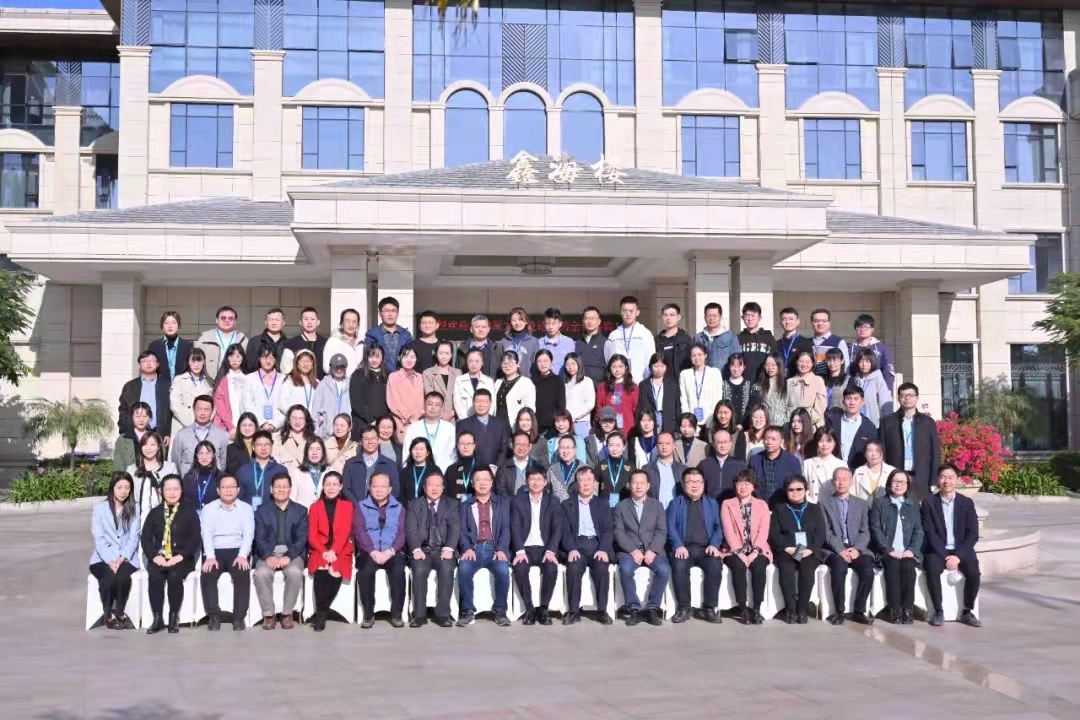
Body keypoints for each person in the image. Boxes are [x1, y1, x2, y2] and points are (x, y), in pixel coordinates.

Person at [921, 464, 982, 627]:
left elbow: (973, 533)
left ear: (957, 480)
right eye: (943, 477)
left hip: (961, 549)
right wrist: (945, 556)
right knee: (932, 569)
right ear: (937, 480)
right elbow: (929, 533)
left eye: (950, 477)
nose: (946, 481)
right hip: (938, 549)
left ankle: (967, 611)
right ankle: (938, 611)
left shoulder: (966, 503)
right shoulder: (929, 502)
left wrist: (958, 556)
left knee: (974, 572)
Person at [142, 474, 200, 634]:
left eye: (176, 489)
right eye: (168, 489)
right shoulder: (155, 513)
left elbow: (195, 538)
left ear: (181, 491)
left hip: (182, 557)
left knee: (174, 575)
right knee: (155, 576)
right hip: (159, 557)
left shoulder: (189, 511)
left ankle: (174, 617)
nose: (172, 493)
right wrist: (154, 556)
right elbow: (145, 538)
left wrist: (180, 556)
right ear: (162, 491)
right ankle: (157, 618)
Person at [456, 467, 512, 626]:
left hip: (494, 548)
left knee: (503, 570)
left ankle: (500, 610)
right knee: (464, 569)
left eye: (486, 479)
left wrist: (501, 549)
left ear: (492, 482)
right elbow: (462, 530)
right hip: (474, 548)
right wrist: (467, 548)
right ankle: (467, 610)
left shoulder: (502, 503)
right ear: (472, 484)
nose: (482, 483)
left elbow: (505, 529)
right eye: (478, 480)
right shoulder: (465, 505)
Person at [715, 471, 772, 628]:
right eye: (739, 483)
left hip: (757, 548)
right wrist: (740, 552)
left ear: (753, 487)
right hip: (733, 549)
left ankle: (756, 608)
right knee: (738, 567)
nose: (743, 487)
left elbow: (763, 531)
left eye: (747, 483)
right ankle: (743, 608)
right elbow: (728, 530)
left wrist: (754, 552)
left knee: (759, 566)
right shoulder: (727, 504)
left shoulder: (762, 505)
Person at [612, 469, 669, 626]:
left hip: (652, 550)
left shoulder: (657, 506)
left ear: (648, 486)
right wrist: (633, 550)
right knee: (625, 568)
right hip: (629, 551)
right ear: (629, 485)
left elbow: (661, 531)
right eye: (635, 483)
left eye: (642, 483)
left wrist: (652, 550)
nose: (638, 486)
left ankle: (652, 608)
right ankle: (633, 608)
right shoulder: (621, 507)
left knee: (664, 569)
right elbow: (618, 532)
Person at [667, 468, 724, 624]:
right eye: (690, 482)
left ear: (703, 484)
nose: (694, 485)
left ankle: (709, 608)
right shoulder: (675, 503)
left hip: (705, 548)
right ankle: (684, 607)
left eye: (698, 482)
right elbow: (670, 527)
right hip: (683, 548)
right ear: (683, 484)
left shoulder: (712, 503)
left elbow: (719, 527)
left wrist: (714, 544)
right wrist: (678, 545)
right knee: (679, 565)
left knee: (714, 565)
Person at [252, 472, 308, 629]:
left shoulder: (301, 511)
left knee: (294, 572)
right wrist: (268, 556)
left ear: (290, 489)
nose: (281, 489)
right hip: (268, 552)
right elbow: (259, 537)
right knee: (261, 573)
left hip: (292, 553)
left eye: (285, 486)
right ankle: (269, 615)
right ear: (271, 489)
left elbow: (301, 539)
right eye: (277, 487)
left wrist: (288, 556)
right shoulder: (262, 510)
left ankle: (287, 613)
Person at [198, 474, 254, 631]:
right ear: (218, 490)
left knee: (242, 572)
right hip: (215, 550)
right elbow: (206, 534)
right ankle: (214, 616)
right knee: (208, 573)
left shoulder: (246, 508)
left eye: (232, 487)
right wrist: (210, 556)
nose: (228, 490)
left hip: (237, 550)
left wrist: (242, 555)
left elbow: (248, 534)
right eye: (224, 487)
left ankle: (239, 617)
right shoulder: (208, 509)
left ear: (238, 490)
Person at [820, 467, 874, 625]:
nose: (841, 482)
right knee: (839, 569)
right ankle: (839, 611)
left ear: (851, 481)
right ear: (833, 482)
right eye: (837, 479)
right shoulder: (824, 503)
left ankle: (859, 611)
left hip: (857, 547)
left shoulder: (862, 504)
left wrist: (857, 549)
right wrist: (840, 550)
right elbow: (826, 532)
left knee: (867, 571)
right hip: (834, 548)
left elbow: (866, 531)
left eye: (845, 479)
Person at [559, 468, 614, 625]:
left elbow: (608, 529)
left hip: (597, 545)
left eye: (589, 480)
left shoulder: (602, 503)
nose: (586, 484)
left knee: (602, 568)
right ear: (577, 483)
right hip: (577, 545)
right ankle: (573, 612)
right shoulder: (567, 504)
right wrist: (571, 549)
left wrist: (603, 549)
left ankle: (602, 611)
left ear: (595, 483)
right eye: (582, 480)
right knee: (574, 568)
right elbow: (565, 530)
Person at [769, 475, 825, 624]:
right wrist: (787, 548)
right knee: (786, 570)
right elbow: (774, 534)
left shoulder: (814, 509)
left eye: (799, 489)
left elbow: (820, 533)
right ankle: (791, 610)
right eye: (791, 489)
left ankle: (802, 610)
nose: (795, 492)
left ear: (806, 490)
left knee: (807, 570)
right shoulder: (779, 509)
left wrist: (811, 549)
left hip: (808, 550)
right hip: (787, 550)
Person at [405, 472, 460, 627]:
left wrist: (449, 548)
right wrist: (416, 549)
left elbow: (455, 528)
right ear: (424, 487)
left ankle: (443, 614)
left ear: (443, 488)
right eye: (431, 485)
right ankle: (419, 615)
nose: (434, 488)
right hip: (423, 550)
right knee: (419, 570)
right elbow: (410, 529)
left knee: (447, 569)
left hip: (443, 549)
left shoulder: (452, 504)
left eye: (438, 485)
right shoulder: (414, 505)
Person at [353, 471, 407, 628]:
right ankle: (368, 614)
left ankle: (396, 614)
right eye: (375, 486)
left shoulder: (399, 507)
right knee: (365, 572)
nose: (379, 489)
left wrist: (391, 551)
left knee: (398, 571)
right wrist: (372, 551)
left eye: (383, 486)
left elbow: (402, 533)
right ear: (370, 487)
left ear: (390, 489)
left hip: (392, 551)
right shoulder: (361, 506)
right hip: (369, 551)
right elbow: (359, 531)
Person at [869, 469, 922, 624]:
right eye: (895, 481)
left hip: (907, 552)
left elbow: (919, 531)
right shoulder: (879, 503)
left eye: (903, 482)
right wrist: (888, 550)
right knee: (892, 567)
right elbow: (875, 528)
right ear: (889, 483)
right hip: (887, 552)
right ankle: (895, 609)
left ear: (907, 485)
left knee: (908, 568)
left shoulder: (913, 505)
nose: (899, 485)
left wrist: (911, 550)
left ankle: (908, 609)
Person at [89, 472, 141, 630]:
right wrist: (110, 560)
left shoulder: (134, 507)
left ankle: (119, 611)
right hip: (102, 558)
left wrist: (122, 558)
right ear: (112, 488)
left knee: (123, 578)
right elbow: (99, 538)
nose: (123, 491)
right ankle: (108, 614)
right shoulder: (100, 508)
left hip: (126, 557)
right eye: (119, 487)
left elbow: (134, 537)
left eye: (127, 487)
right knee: (109, 578)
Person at [510, 468, 561, 625]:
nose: (536, 482)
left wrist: (551, 550)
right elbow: (515, 527)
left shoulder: (553, 501)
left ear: (545, 482)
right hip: (525, 549)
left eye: (539, 479)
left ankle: (544, 609)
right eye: (532, 479)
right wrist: (519, 551)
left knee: (551, 568)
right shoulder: (518, 501)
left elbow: (557, 528)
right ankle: (530, 609)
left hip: (545, 549)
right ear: (527, 482)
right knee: (520, 568)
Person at [306, 471, 354, 631]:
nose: (331, 488)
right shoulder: (315, 507)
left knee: (335, 570)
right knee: (321, 568)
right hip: (319, 548)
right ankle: (322, 614)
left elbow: (345, 532)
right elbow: (312, 535)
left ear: (340, 487)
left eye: (335, 484)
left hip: (341, 549)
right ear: (323, 486)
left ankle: (321, 613)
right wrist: (324, 551)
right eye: (327, 484)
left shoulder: (347, 506)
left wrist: (334, 552)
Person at [879, 382, 940, 500]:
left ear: (917, 398)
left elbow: (935, 452)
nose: (907, 398)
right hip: (896, 474)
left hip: (921, 476)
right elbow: (882, 451)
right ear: (898, 399)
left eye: (910, 395)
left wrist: (934, 480)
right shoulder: (887, 422)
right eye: (903, 395)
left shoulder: (927, 422)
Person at [169, 395, 229, 477]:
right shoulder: (182, 435)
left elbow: (223, 462)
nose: (202, 413)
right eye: (199, 409)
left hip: (213, 480)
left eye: (206, 409)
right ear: (193, 410)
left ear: (212, 411)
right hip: (189, 481)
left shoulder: (222, 435)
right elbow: (176, 461)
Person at [127, 432, 178, 528]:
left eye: (152, 444)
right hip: (138, 521)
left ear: (158, 447)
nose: (148, 448)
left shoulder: (170, 468)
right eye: (145, 444)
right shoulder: (131, 470)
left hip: (164, 520)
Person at [118, 351, 171, 439]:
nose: (148, 363)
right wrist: (125, 430)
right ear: (139, 364)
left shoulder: (167, 386)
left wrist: (168, 433)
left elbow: (170, 412)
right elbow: (123, 410)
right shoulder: (130, 386)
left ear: (158, 364)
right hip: (135, 434)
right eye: (145, 361)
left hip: (159, 433)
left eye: (152, 360)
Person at [342, 424, 401, 501]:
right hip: (356, 506)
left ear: (378, 440)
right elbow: (346, 489)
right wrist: (358, 505)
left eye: (373, 438)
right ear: (360, 442)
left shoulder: (389, 464)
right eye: (366, 439)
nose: (370, 442)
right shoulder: (350, 463)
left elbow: (395, 490)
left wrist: (381, 504)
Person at [604, 295, 655, 383]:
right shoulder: (614, 335)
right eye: (624, 311)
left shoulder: (645, 334)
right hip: (618, 383)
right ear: (620, 312)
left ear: (637, 312)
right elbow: (608, 359)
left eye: (631, 311)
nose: (628, 314)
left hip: (640, 382)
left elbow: (651, 359)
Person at [402, 392, 457, 472]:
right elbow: (406, 454)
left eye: (437, 405)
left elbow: (454, 454)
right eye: (430, 404)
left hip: (444, 473)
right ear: (424, 405)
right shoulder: (413, 428)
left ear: (441, 408)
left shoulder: (449, 428)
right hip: (419, 473)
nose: (433, 408)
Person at [825, 386, 878, 469]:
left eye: (856, 399)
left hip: (858, 471)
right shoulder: (833, 421)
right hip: (833, 469)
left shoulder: (869, 427)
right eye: (848, 398)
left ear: (862, 402)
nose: (852, 402)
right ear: (843, 401)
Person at [748, 426, 803, 506]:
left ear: (782, 441)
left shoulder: (792, 461)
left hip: (784, 506)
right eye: (766, 438)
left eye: (773, 439)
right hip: (760, 505)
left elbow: (798, 485)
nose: (769, 442)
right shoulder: (755, 460)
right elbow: (750, 483)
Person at [456, 389, 510, 468]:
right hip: (471, 470)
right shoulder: (463, 424)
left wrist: (496, 469)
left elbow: (504, 449)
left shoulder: (500, 424)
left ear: (490, 403)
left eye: (485, 401)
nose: (481, 405)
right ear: (473, 403)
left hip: (496, 469)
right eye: (477, 401)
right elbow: (459, 450)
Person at [236, 430, 286, 511]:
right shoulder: (243, 470)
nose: (263, 448)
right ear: (253, 447)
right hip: (248, 515)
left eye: (267, 444)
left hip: (272, 515)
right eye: (259, 445)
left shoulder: (280, 470)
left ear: (272, 446)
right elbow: (238, 498)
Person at [169, 348, 213, 438]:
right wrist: (193, 422)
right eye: (193, 361)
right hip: (182, 426)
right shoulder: (179, 380)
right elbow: (175, 405)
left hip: (204, 428)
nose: (196, 364)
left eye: (199, 361)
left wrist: (204, 422)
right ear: (188, 362)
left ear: (203, 362)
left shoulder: (209, 383)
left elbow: (213, 406)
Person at [195, 305, 248, 379]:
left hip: (235, 382)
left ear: (235, 322)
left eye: (230, 318)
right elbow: (195, 361)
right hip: (209, 382)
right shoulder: (204, 339)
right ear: (217, 320)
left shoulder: (243, 340)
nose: (227, 320)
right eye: (223, 318)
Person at [387, 345, 425, 443]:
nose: (409, 360)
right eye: (405, 356)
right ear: (399, 358)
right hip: (402, 422)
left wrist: (418, 417)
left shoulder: (420, 377)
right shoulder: (393, 377)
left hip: (419, 421)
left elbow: (424, 400)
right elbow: (393, 402)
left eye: (412, 357)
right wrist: (408, 417)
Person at [680, 344, 723, 433]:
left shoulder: (715, 373)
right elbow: (683, 399)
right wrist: (688, 420)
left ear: (705, 355)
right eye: (693, 355)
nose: (697, 358)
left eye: (700, 355)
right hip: (692, 421)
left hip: (711, 419)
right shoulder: (685, 374)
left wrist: (714, 418)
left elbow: (718, 397)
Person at [364, 296, 413, 372]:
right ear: (380, 313)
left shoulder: (406, 335)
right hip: (378, 375)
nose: (390, 314)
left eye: (393, 311)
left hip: (401, 375)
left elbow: (410, 358)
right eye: (386, 311)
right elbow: (369, 358)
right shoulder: (372, 335)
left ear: (397, 313)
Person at [242, 346, 285, 432]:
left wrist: (275, 425)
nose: (268, 361)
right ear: (259, 358)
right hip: (256, 429)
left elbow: (287, 407)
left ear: (275, 360)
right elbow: (247, 405)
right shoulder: (250, 378)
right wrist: (262, 423)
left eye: (271, 358)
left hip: (279, 430)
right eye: (264, 357)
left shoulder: (283, 379)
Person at [349, 344, 389, 434]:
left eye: (377, 357)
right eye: (371, 356)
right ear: (366, 357)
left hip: (383, 424)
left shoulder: (388, 375)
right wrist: (370, 420)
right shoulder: (358, 375)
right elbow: (356, 402)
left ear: (382, 358)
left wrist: (382, 421)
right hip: (363, 422)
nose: (374, 360)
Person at [596, 354, 639, 434]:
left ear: (626, 368)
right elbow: (599, 408)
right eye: (614, 367)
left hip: (628, 426)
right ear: (610, 368)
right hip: (608, 426)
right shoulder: (602, 387)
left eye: (620, 366)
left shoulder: (633, 387)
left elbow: (635, 409)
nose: (617, 370)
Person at [850, 313, 895, 391]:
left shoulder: (881, 348)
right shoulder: (850, 349)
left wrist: (887, 391)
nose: (862, 329)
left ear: (872, 329)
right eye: (859, 326)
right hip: (855, 390)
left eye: (866, 327)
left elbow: (887, 372)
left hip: (877, 389)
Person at [211, 344, 247, 438]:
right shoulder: (222, 379)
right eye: (231, 356)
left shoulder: (248, 378)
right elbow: (219, 405)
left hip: (245, 425)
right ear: (227, 358)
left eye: (238, 356)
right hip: (226, 426)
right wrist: (230, 426)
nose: (234, 360)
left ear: (243, 358)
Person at [638, 353, 679, 435]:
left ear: (666, 367)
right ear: (651, 366)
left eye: (662, 366)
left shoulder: (672, 384)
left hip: (668, 421)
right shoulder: (644, 385)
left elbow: (677, 406)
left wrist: (677, 426)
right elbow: (640, 406)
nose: (659, 369)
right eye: (656, 366)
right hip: (650, 421)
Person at [699, 428, 745, 502]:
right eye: (719, 442)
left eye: (725, 442)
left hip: (732, 505)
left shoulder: (740, 466)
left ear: (731, 443)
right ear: (713, 444)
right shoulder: (704, 465)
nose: (722, 445)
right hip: (710, 504)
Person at [312, 355, 352, 438]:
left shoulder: (351, 385)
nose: (339, 370)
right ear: (331, 368)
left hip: (346, 433)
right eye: (336, 367)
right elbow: (316, 409)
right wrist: (316, 430)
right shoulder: (323, 384)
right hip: (327, 433)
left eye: (341, 367)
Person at [753, 352, 798, 427]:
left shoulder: (788, 385)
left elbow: (793, 407)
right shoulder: (757, 386)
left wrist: (786, 424)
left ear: (779, 366)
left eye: (773, 365)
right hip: (763, 427)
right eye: (767, 365)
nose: (770, 368)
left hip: (781, 427)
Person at [275, 349, 319, 426]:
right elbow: (282, 403)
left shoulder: (317, 383)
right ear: (297, 364)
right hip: (295, 422)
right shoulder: (289, 381)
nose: (305, 364)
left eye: (308, 361)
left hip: (312, 423)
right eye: (302, 361)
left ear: (312, 365)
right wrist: (295, 415)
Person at [693, 302, 740, 373]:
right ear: (704, 317)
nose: (711, 318)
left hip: (723, 377)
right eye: (708, 316)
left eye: (714, 316)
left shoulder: (730, 337)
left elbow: (736, 361)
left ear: (720, 317)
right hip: (701, 377)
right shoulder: (698, 338)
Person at [802, 427, 846, 502]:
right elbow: (802, 487)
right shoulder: (808, 464)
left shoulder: (841, 464)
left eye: (828, 441)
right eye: (821, 441)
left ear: (834, 443)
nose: (824, 444)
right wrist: (811, 502)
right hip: (813, 505)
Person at [643, 432, 686, 509]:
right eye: (660, 443)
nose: (664, 447)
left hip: (677, 511)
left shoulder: (683, 469)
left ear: (674, 446)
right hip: (654, 512)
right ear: (656, 446)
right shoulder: (647, 469)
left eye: (667, 443)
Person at [245, 307, 293, 375]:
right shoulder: (254, 342)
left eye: (277, 320)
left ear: (283, 323)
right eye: (271, 320)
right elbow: (249, 367)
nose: (274, 323)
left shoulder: (290, 344)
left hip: (283, 380)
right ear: (266, 322)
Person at [149, 311, 193, 383]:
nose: (170, 326)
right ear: (162, 326)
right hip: (160, 386)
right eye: (166, 323)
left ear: (178, 325)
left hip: (182, 386)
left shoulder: (188, 346)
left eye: (173, 323)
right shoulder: (154, 346)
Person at [851, 348, 892, 426]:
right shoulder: (855, 380)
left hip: (874, 424)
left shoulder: (877, 379)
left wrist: (886, 424)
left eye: (867, 361)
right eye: (861, 361)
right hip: (856, 423)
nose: (864, 364)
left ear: (872, 362)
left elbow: (885, 403)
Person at [737, 302, 776, 383]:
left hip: (764, 382)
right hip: (743, 383)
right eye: (747, 315)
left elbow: (775, 360)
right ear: (742, 317)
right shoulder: (738, 338)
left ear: (759, 318)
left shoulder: (768, 338)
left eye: (753, 315)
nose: (750, 319)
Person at [285, 307, 328, 379]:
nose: (309, 322)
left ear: (318, 322)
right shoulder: (291, 343)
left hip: (321, 383)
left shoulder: (325, 343)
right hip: (299, 383)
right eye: (306, 319)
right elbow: (286, 370)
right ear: (300, 322)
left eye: (312, 319)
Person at [788, 350, 827, 430]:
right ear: (796, 363)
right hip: (794, 426)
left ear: (812, 364)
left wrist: (805, 421)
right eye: (801, 361)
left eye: (807, 362)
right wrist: (795, 421)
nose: (804, 364)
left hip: (813, 427)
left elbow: (821, 405)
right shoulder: (789, 382)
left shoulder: (818, 380)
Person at [422, 341, 461, 421]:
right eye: (441, 353)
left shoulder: (457, 373)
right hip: (434, 417)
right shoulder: (428, 373)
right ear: (436, 354)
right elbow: (430, 397)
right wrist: (441, 417)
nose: (444, 356)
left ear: (451, 355)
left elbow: (460, 397)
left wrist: (451, 414)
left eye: (447, 353)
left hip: (454, 417)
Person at [494, 350, 536, 422]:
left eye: (510, 363)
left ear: (518, 364)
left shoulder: (526, 382)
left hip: (515, 423)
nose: (507, 366)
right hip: (497, 423)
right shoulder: (498, 382)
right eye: (504, 363)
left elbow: (530, 407)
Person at [452, 347, 495, 420]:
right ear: (466, 362)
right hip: (465, 421)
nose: (474, 364)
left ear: (482, 363)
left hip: (485, 421)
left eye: (477, 361)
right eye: (470, 361)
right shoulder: (459, 380)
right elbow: (457, 403)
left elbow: (492, 404)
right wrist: (466, 421)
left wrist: (486, 419)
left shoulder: (489, 381)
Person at [182, 440, 223, 513]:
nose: (204, 457)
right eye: (201, 453)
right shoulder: (188, 477)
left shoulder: (221, 477)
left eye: (208, 453)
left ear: (213, 455)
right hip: (192, 516)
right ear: (196, 455)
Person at [497, 307, 539, 379]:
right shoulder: (504, 342)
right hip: (507, 381)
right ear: (510, 323)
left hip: (527, 382)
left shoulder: (533, 341)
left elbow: (536, 365)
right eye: (513, 320)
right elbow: (499, 365)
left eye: (520, 319)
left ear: (526, 322)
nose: (517, 323)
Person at [314, 308, 357, 377]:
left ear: (358, 325)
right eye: (347, 321)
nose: (351, 325)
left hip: (360, 382)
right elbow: (326, 367)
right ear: (342, 323)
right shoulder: (333, 342)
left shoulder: (362, 343)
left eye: (354, 322)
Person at [112, 401, 153, 474]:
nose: (141, 420)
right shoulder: (123, 439)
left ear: (150, 418)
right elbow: (118, 466)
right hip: (129, 478)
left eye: (144, 416)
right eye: (137, 416)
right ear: (132, 417)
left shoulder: (155, 438)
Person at [532, 349, 567, 434]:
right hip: (535, 426)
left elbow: (561, 405)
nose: (542, 364)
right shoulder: (532, 381)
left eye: (545, 361)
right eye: (539, 361)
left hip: (552, 426)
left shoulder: (558, 380)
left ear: (551, 362)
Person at [655, 303, 693, 379]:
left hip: (681, 381)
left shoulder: (686, 339)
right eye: (665, 315)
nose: (668, 318)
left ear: (678, 317)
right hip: (662, 381)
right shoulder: (657, 340)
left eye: (672, 315)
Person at [776, 307, 816, 378]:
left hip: (798, 381)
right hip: (780, 381)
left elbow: (810, 366)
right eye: (784, 319)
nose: (787, 322)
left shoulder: (805, 343)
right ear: (780, 322)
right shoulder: (776, 344)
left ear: (797, 322)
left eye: (791, 319)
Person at [562, 353, 595, 439]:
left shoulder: (587, 381)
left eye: (573, 363)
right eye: (567, 364)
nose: (570, 367)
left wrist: (574, 416)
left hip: (582, 423)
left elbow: (590, 403)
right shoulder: (564, 383)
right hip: (566, 423)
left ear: (579, 364)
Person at [290, 437, 329, 508]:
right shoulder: (296, 472)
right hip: (302, 513)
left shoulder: (330, 472)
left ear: (323, 453)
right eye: (311, 449)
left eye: (318, 449)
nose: (314, 453)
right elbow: (292, 498)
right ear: (306, 452)